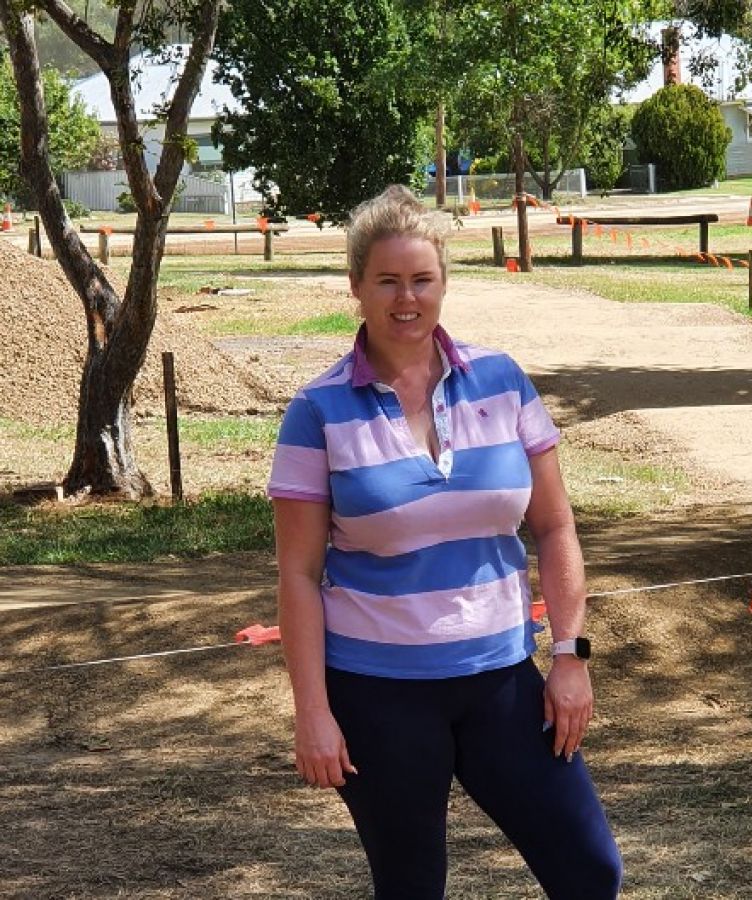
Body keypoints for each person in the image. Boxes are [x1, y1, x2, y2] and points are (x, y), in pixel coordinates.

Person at [267, 185, 622, 898]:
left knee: (590, 871)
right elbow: (299, 576)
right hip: (377, 698)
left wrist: (569, 657)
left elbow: (555, 526)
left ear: (444, 284)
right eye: (388, 281)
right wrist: (313, 714)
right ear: (356, 288)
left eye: (422, 280)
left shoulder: (502, 380)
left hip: (501, 681)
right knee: (411, 889)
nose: (407, 299)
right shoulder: (316, 411)